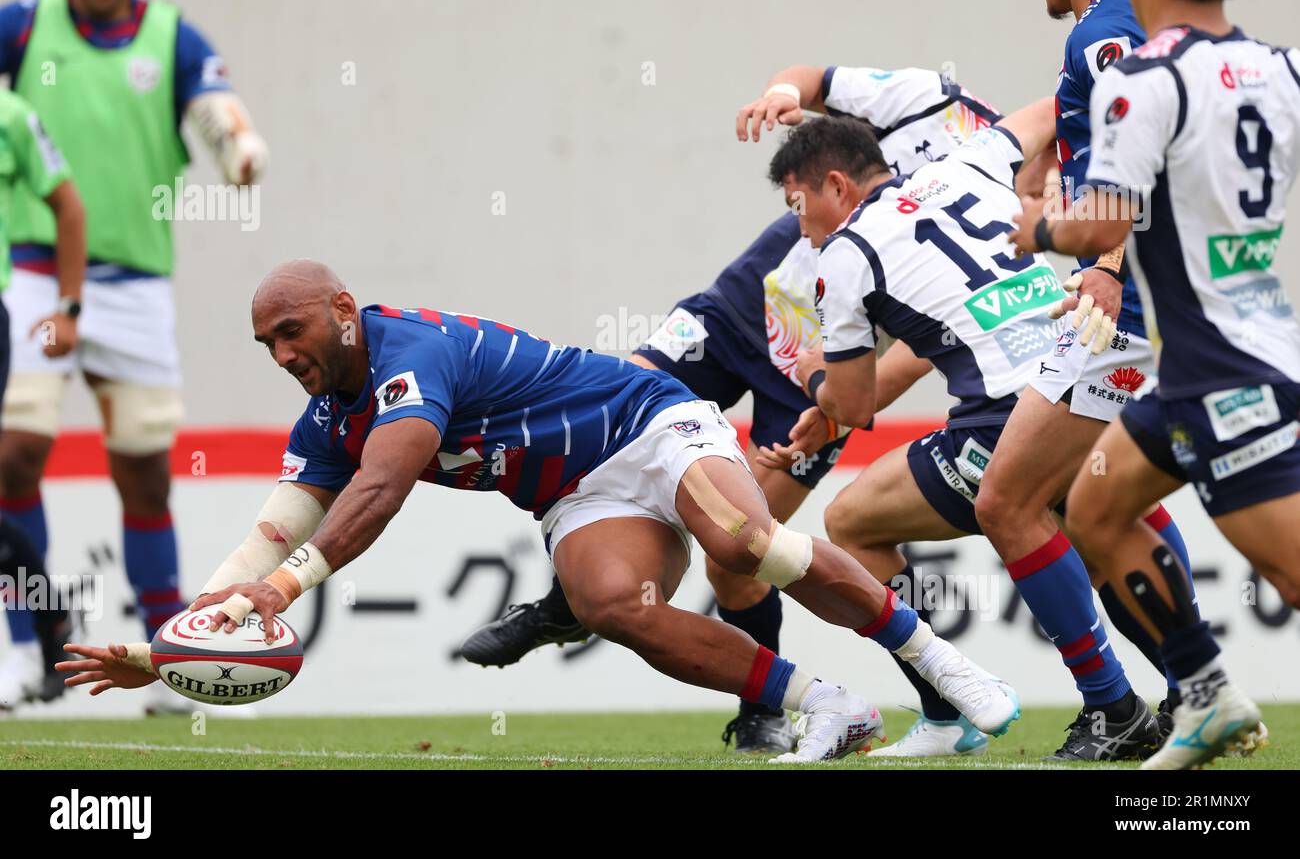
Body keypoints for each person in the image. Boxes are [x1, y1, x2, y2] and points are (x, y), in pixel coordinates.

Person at [57, 260, 1021, 763]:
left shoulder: (408, 356)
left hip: (648, 422)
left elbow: (382, 489)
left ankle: (942, 666)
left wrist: (280, 589)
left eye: (292, 331)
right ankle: (832, 708)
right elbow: (269, 534)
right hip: (578, 494)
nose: (282, 355)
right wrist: (174, 644)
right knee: (612, 606)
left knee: (744, 541)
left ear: (344, 309)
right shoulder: (324, 419)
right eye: (265, 343)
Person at [461, 62, 1001, 754]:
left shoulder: (993, 201)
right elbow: (817, 79)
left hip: (815, 376)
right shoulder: (940, 114)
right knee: (605, 407)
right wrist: (782, 93)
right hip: (729, 317)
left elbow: (927, 343)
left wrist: (836, 410)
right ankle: (565, 604)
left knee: (739, 554)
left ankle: (778, 708)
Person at [761, 99, 1176, 763]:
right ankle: (1191, 688)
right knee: (1106, 520)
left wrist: (814, 377)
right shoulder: (967, 158)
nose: (801, 229)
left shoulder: (844, 255)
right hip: (1087, 355)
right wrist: (1056, 181)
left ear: (836, 186)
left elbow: (856, 401)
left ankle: (1068, 705)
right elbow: (1062, 103)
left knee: (857, 521)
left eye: (799, 206)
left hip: (1009, 407)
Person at [1009, 0, 1298, 769]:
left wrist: (1037, 230)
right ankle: (1204, 696)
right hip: (1211, 361)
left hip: (1221, 375)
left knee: (1292, 576)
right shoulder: (1278, 68)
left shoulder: (1144, 78)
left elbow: (1101, 228)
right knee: (1094, 507)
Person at [0, 0, 269, 711]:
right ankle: (26, 648)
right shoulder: (22, 27)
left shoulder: (173, 37)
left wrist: (237, 148)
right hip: (34, 273)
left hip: (138, 280)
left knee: (146, 474)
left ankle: (165, 656)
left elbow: (214, 106)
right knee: (13, 456)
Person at [953, 0, 1202, 761]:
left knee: (1009, 500)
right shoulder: (1134, 8)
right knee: (1087, 505)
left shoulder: (1104, 26)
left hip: (1124, 305)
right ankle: (1184, 694)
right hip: (1151, 299)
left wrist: (1106, 260)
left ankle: (1126, 707)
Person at [0, 86, 85, 709]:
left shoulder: (10, 114)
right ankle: (52, 617)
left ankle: (45, 625)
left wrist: (68, 307)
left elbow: (69, 204)